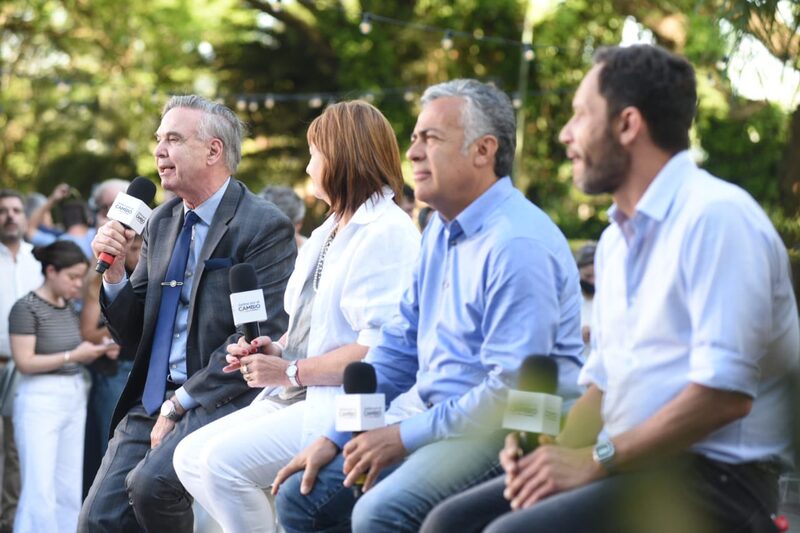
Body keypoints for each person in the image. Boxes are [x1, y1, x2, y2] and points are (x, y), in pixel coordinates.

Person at [420, 44, 799, 533]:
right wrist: (549, 451)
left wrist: (595, 460)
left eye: (580, 115)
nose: (565, 133)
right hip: (630, 462)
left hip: (718, 480)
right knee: (449, 522)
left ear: (627, 125)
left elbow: (725, 395)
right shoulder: (616, 241)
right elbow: (604, 385)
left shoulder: (717, 217)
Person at [272, 79, 583, 533]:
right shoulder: (439, 229)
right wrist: (334, 436)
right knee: (300, 496)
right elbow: (398, 349)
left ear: (484, 150)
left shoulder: (515, 244)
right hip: (440, 417)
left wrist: (400, 436)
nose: (413, 153)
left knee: (380, 512)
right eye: (415, 138)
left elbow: (509, 393)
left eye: (431, 139)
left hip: (509, 431)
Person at [173, 100, 421, 533]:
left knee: (220, 465)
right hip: (299, 392)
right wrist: (274, 349)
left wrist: (288, 370)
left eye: (314, 155)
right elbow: (307, 330)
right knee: (188, 457)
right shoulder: (328, 230)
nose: (308, 168)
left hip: (349, 405)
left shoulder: (387, 233)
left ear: (341, 158)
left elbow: (376, 352)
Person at [79, 95, 297, 532]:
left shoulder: (263, 225)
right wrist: (115, 273)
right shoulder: (160, 221)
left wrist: (180, 402)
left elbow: (256, 335)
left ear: (213, 150)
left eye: (174, 139)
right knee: (97, 519)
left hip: (218, 394)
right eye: (159, 139)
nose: (159, 151)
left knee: (151, 486)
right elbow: (134, 335)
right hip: (150, 397)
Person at [9, 240, 107, 533]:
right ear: (51, 271)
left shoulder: (68, 307)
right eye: (72, 277)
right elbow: (25, 361)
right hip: (39, 398)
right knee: (39, 487)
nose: (78, 284)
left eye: (81, 277)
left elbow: (74, 348)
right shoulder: (25, 308)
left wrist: (98, 349)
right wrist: (73, 356)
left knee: (68, 485)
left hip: (72, 395)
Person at [80, 179, 137, 497]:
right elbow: (87, 331)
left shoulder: (155, 265)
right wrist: (116, 331)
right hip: (115, 372)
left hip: (149, 373)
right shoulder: (99, 270)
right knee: (109, 451)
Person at [0, 190, 44, 533]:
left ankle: (10, 521)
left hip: (28, 367)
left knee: (17, 448)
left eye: (16, 210)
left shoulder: (38, 259)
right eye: (3, 211)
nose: (11, 216)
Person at [575, 241, 596, 357]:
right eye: (588, 276)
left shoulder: (613, 299)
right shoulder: (571, 301)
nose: (593, 281)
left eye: (597, 275)